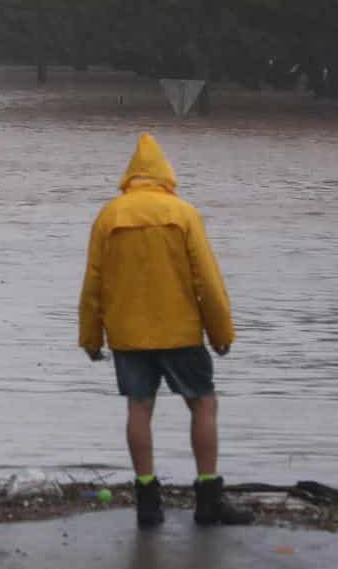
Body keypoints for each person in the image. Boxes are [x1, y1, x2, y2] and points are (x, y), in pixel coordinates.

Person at [78, 133, 253, 529]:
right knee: (203, 405)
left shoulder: (110, 216)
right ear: (166, 174)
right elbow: (206, 278)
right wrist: (221, 331)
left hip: (128, 335)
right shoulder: (183, 213)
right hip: (181, 333)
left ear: (129, 176)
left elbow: (93, 282)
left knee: (139, 409)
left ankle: (147, 501)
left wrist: (90, 337)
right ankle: (208, 497)